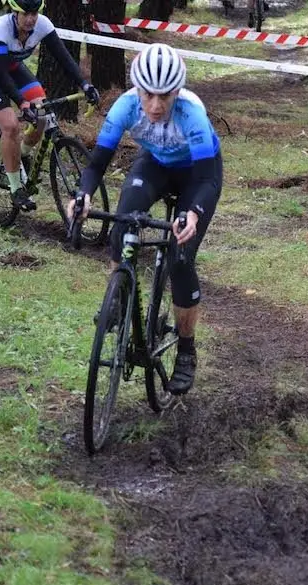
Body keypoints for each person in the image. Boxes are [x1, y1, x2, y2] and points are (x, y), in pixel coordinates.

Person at [68, 43, 223, 396]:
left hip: (198, 176)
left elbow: (206, 180)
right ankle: (118, 295)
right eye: (148, 95)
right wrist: (83, 194)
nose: (155, 106)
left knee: (180, 258)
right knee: (123, 220)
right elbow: (96, 165)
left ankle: (186, 351)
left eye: (164, 97)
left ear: (177, 92)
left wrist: (193, 214)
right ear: (137, 89)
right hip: (155, 165)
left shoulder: (192, 114)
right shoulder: (124, 107)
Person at [0, 0, 100, 211]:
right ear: (14, 12)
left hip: (12, 70)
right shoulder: (1, 28)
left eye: (34, 13)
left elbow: (64, 58)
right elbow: (1, 74)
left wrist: (85, 84)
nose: (30, 19)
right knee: (11, 126)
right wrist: (22, 102)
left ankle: (21, 155)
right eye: (25, 14)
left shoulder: (43, 25)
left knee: (43, 116)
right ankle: (16, 188)